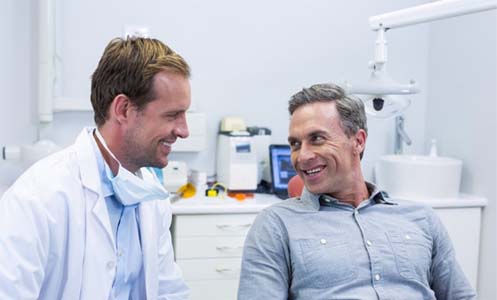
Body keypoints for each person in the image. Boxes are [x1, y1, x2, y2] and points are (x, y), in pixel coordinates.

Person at [238, 83, 475, 300]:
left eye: (317, 139)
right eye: (295, 144)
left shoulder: (421, 217)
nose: (303, 156)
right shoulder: (276, 225)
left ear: (358, 141)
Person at [0, 37, 191, 299]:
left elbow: (168, 291)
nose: (184, 130)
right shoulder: (38, 199)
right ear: (123, 109)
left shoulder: (150, 196)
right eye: (172, 115)